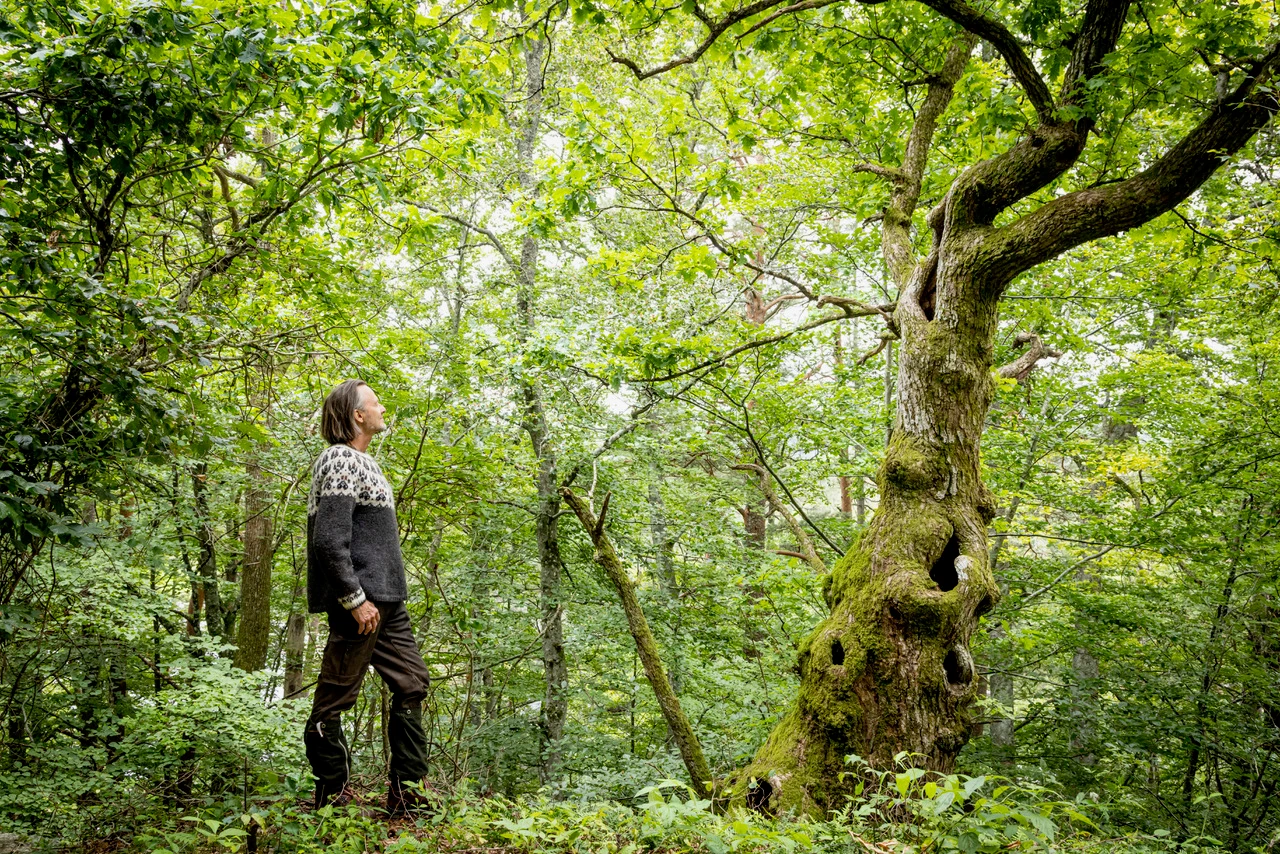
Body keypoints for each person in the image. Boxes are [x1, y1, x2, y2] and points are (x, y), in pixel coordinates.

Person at [304, 379, 433, 815]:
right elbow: (328, 541)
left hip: (387, 603)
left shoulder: (365, 463)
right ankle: (331, 801)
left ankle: (407, 797)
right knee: (333, 702)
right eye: (375, 403)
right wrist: (353, 599)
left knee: (412, 684)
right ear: (358, 415)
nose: (382, 408)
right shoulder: (340, 458)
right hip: (360, 603)